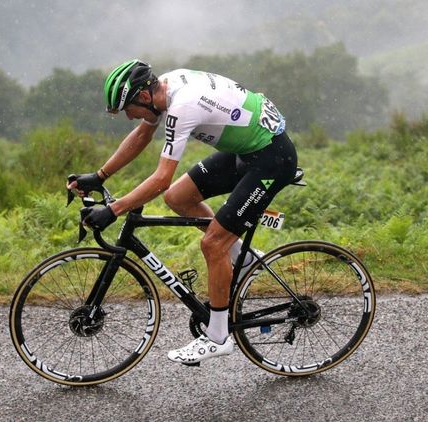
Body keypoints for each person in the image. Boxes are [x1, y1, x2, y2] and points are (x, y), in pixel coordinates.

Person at [68, 59, 297, 365]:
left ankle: (218, 337)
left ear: (145, 97)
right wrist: (100, 176)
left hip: (272, 157)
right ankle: (243, 260)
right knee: (178, 197)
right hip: (248, 149)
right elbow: (141, 136)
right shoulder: (163, 86)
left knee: (213, 243)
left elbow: (161, 178)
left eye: (128, 109)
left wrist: (114, 209)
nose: (128, 117)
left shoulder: (183, 105)